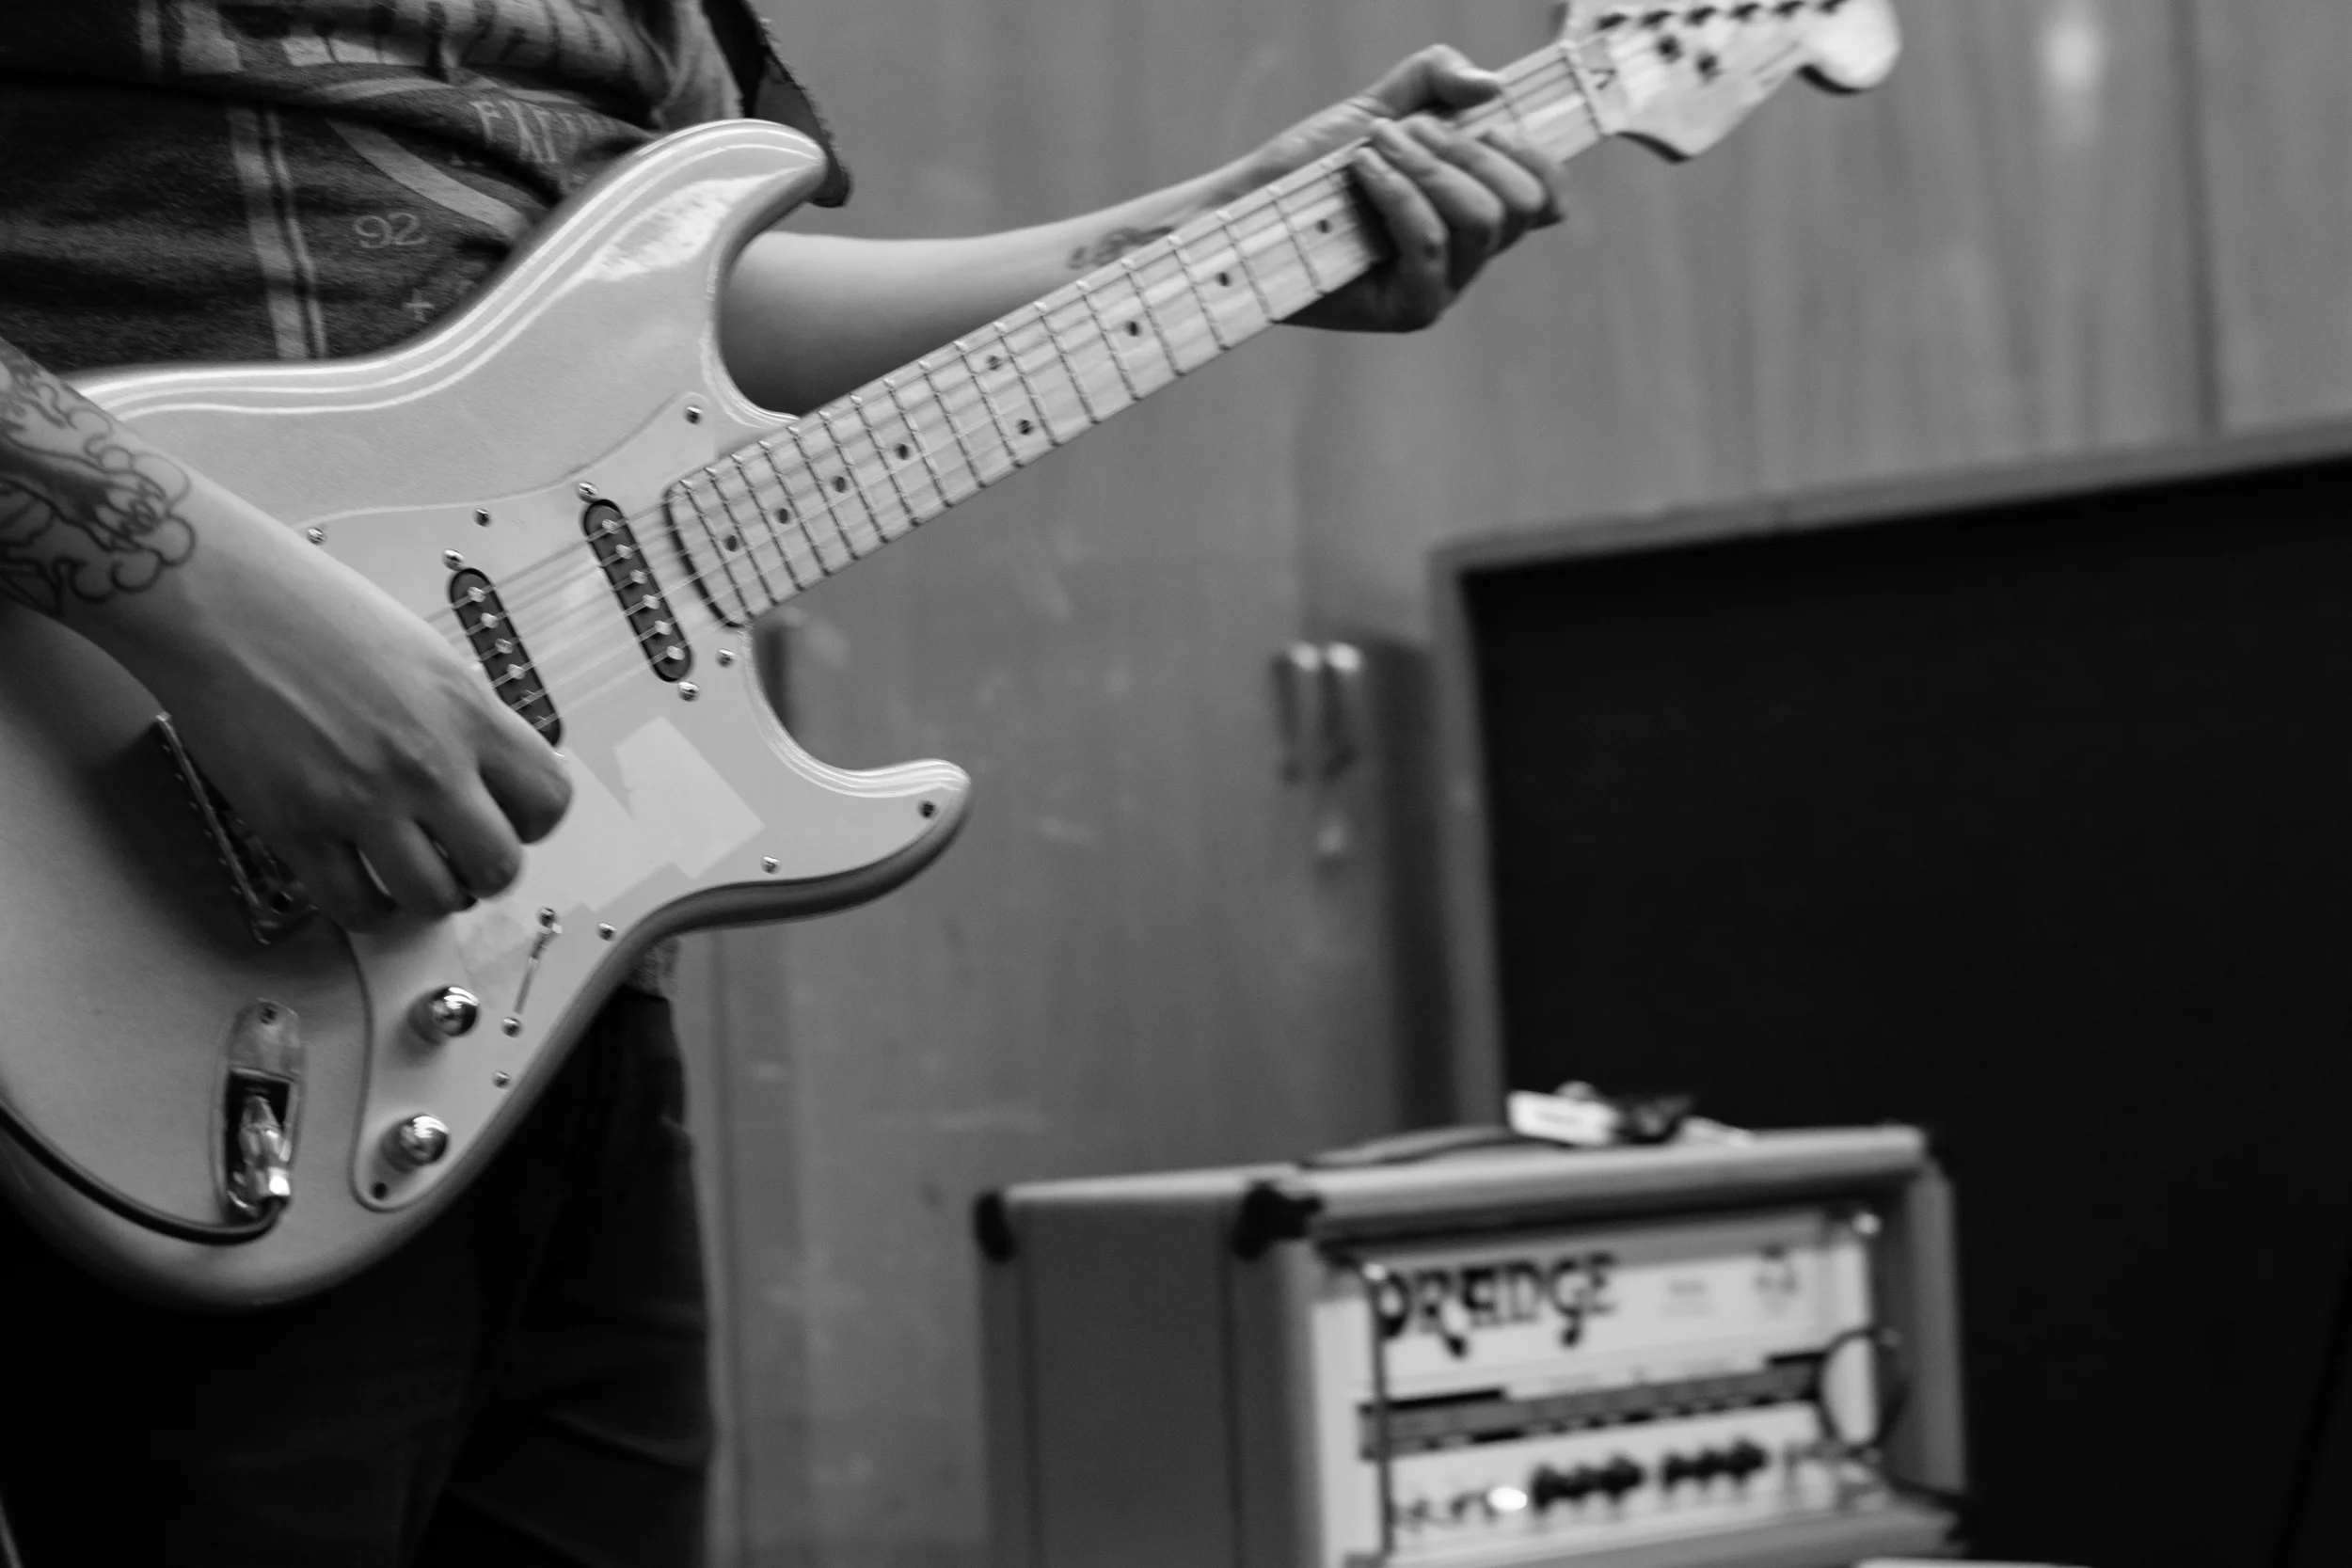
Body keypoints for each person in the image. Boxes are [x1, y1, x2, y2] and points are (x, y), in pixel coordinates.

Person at [0, 4, 1565, 1563]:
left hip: (513, 977)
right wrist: (210, 609)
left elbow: (665, 299)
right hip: (92, 894)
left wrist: (1205, 245)